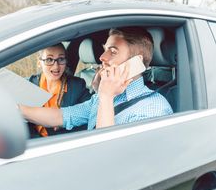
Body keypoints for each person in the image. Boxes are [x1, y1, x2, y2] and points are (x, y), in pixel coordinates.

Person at [20, 27, 173, 131]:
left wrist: (106, 97)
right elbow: (60, 116)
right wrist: (16, 109)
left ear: (136, 63)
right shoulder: (101, 98)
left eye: (112, 51)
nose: (102, 57)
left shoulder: (153, 109)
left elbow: (106, 156)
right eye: (104, 50)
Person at [27, 43, 91, 137]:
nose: (56, 66)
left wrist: (63, 121)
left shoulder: (77, 86)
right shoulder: (30, 85)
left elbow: (91, 116)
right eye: (49, 59)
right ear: (39, 62)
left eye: (61, 59)